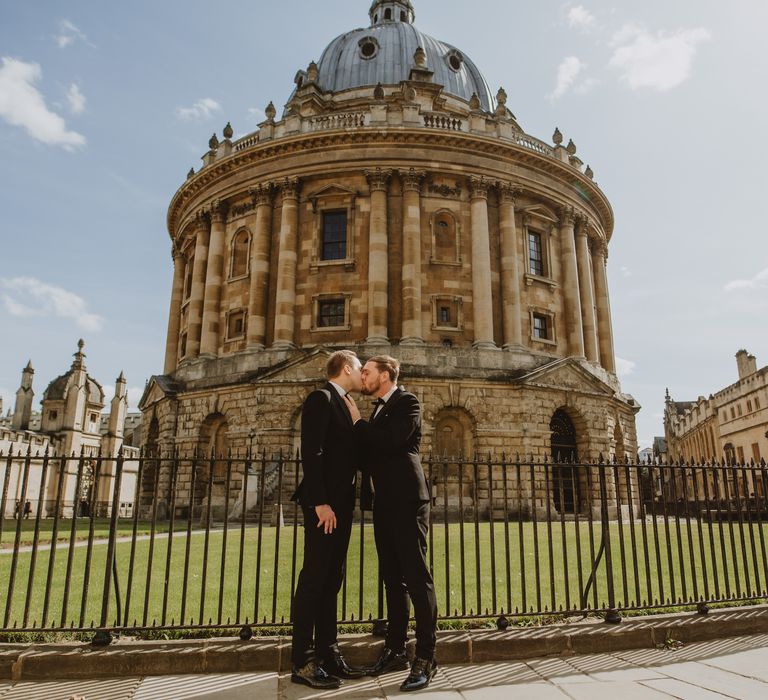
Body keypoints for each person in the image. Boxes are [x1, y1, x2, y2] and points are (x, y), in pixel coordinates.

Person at [344, 355, 438, 693]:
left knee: (416, 577)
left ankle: (426, 657)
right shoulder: (379, 410)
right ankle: (396, 649)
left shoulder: (407, 402)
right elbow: (370, 453)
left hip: (409, 502)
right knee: (392, 580)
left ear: (385, 375)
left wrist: (356, 423)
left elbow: (390, 442)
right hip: (384, 503)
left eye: (367, 372)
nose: (363, 377)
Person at [290, 350, 366, 689]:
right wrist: (320, 501)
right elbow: (313, 451)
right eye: (360, 368)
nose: (364, 374)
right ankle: (303, 662)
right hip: (324, 506)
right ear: (346, 368)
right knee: (314, 578)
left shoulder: (347, 404)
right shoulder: (321, 398)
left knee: (332, 577)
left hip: (341, 503)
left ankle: (328, 650)